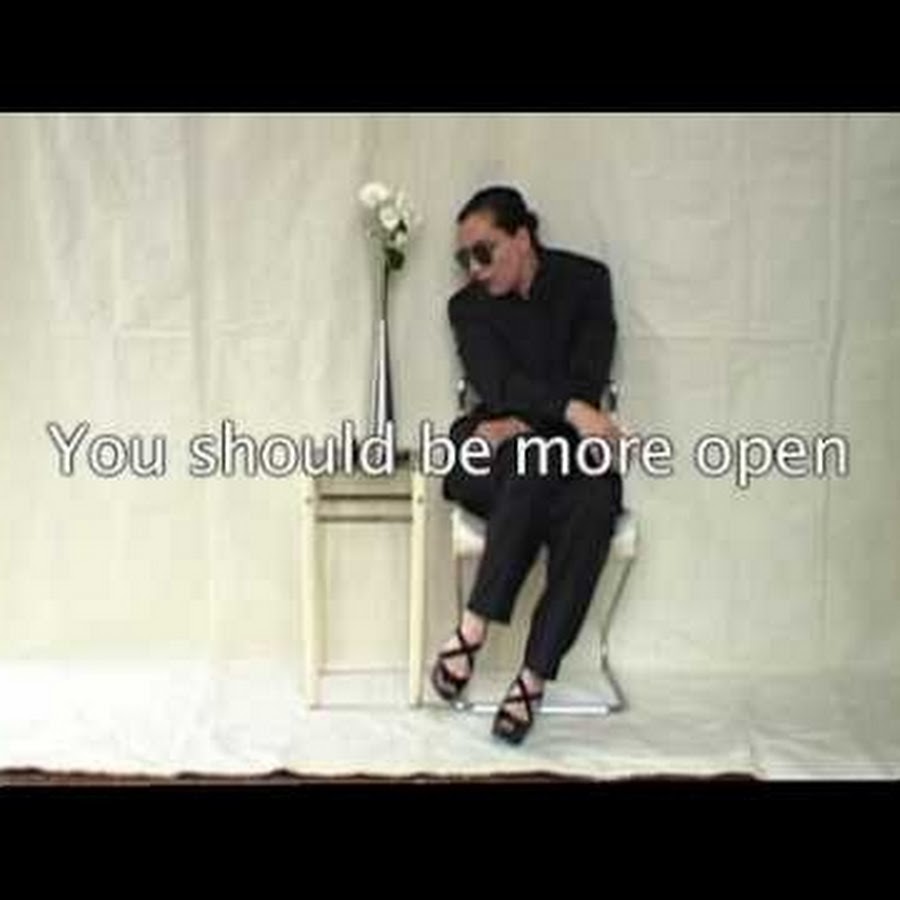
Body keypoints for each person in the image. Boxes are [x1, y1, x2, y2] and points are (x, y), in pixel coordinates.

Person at [431, 185, 625, 745]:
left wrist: (525, 418)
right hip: (488, 457)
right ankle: (475, 629)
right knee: (536, 461)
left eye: (483, 252)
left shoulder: (587, 283)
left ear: (522, 238)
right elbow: (496, 385)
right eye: (464, 258)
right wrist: (567, 411)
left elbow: (588, 377)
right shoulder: (467, 308)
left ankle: (532, 676)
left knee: (594, 501)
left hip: (560, 457)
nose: (474, 268)